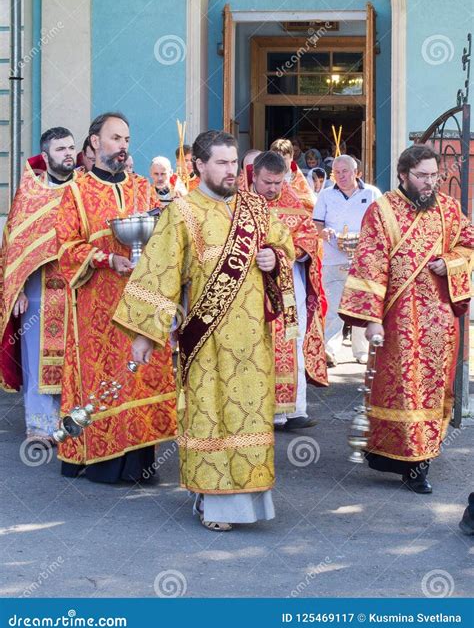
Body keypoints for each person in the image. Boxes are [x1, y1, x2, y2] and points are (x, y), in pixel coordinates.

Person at [114, 130, 296, 531]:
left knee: (248, 418)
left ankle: (250, 501)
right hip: (207, 342)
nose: (231, 171)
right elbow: (159, 274)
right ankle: (209, 501)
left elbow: (288, 248)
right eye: (222, 163)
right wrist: (145, 335)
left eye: (234, 163)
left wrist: (274, 259)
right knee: (209, 418)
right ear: (199, 165)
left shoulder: (256, 209)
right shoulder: (181, 213)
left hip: (252, 344)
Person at [339, 145, 474, 493]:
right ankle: (407, 463)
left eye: (434, 175)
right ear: (403, 175)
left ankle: (421, 458)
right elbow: (370, 263)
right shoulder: (381, 211)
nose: (430, 183)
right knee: (401, 390)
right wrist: (371, 320)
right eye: (422, 176)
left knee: (430, 391)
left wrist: (451, 263)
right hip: (397, 319)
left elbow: (468, 246)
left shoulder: (448, 208)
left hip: (440, 322)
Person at [55, 112, 176, 484]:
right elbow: (65, 248)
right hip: (98, 306)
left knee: (140, 374)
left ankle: (140, 463)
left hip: (141, 300)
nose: (123, 146)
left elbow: (163, 235)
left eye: (126, 139)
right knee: (103, 376)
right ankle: (102, 461)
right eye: (115, 138)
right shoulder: (76, 191)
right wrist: (106, 258)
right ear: (94, 142)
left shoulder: (143, 186)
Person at [0, 128, 78, 442]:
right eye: (61, 149)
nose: (68, 154)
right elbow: (13, 243)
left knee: (75, 354)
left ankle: (72, 423)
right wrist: (15, 287)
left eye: (71, 147)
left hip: (76, 283)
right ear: (45, 156)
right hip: (39, 286)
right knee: (36, 355)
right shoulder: (31, 192)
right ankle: (40, 425)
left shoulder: (84, 189)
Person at [252, 151, 328, 431]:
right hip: (252, 288)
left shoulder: (293, 202)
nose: (273, 189)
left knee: (291, 342)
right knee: (256, 344)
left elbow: (310, 239)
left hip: (287, 289)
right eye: (267, 182)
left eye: (278, 183)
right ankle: (260, 412)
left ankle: (295, 410)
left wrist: (285, 254)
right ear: (254, 176)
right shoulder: (240, 204)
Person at [314, 155, 380, 366]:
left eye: (345, 171)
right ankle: (329, 350)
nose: (341, 176)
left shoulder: (371, 193)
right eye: (337, 172)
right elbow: (316, 224)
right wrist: (324, 232)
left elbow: (381, 223)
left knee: (360, 305)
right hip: (333, 258)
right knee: (333, 306)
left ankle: (361, 351)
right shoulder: (325, 195)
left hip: (363, 260)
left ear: (356, 172)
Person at [270, 138, 315, 213]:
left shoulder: (300, 181)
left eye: (284, 159)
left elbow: (311, 207)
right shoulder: (265, 178)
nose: (280, 163)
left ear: (291, 157)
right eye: (276, 159)